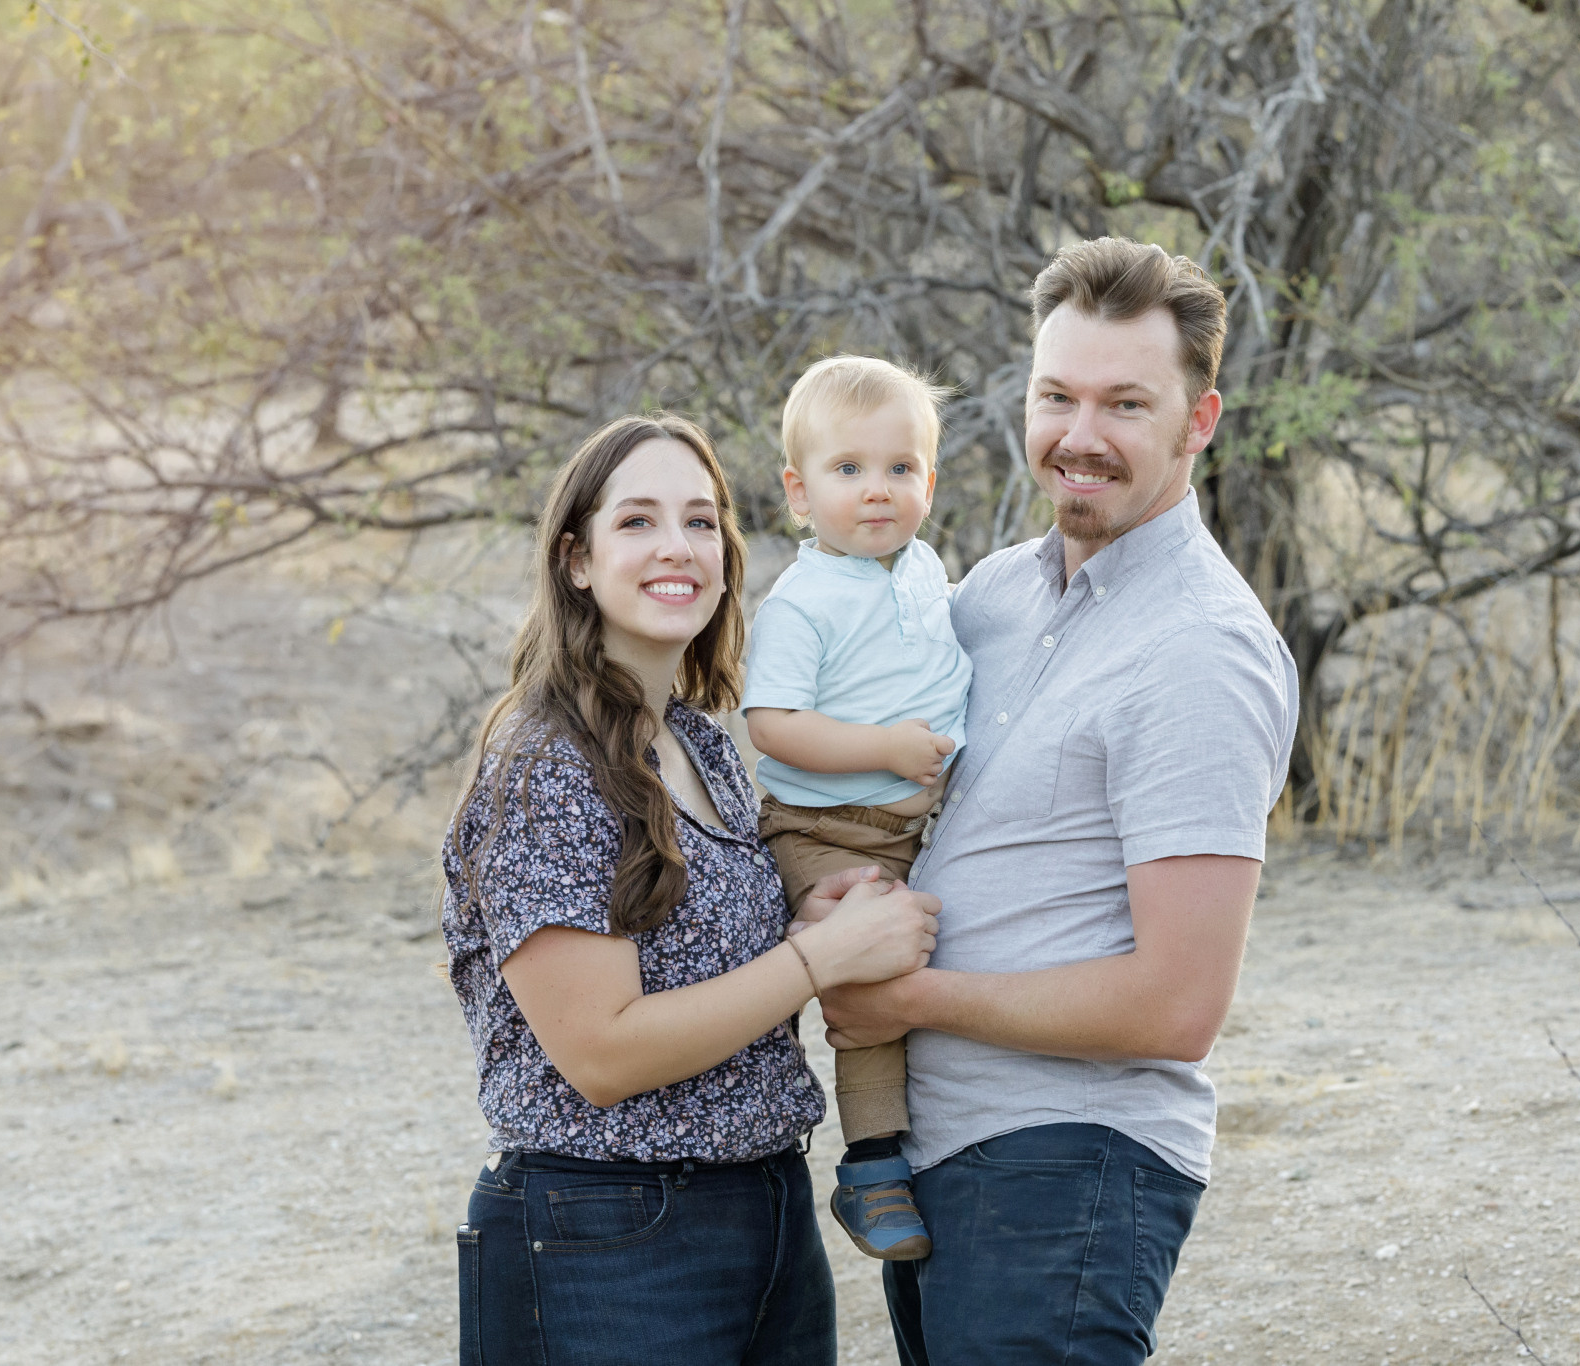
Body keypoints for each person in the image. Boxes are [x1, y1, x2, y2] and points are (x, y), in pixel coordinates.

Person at [818, 238, 1302, 1365]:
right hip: (950, 1159)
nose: (1080, 435)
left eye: (1127, 403)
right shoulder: (990, 597)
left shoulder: (1202, 650)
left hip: (1071, 1161)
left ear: (1201, 420)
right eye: (1057, 396)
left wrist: (912, 1000)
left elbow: (1176, 1003)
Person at [439, 413, 941, 1366]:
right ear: (576, 561)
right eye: (636, 522)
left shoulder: (702, 742)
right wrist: (817, 958)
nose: (678, 548)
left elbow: (714, 960)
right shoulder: (547, 765)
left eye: (701, 522)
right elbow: (602, 1052)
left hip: (763, 1208)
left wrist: (812, 920)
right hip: (604, 1230)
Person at [742, 356, 973, 1261]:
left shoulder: (923, 570)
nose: (876, 491)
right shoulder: (803, 600)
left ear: (928, 480)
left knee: (941, 959)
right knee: (869, 970)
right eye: (848, 471)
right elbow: (772, 724)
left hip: (917, 824)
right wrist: (883, 749)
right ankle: (871, 1166)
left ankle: (944, 1135)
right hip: (825, 829)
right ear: (799, 493)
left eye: (899, 468)